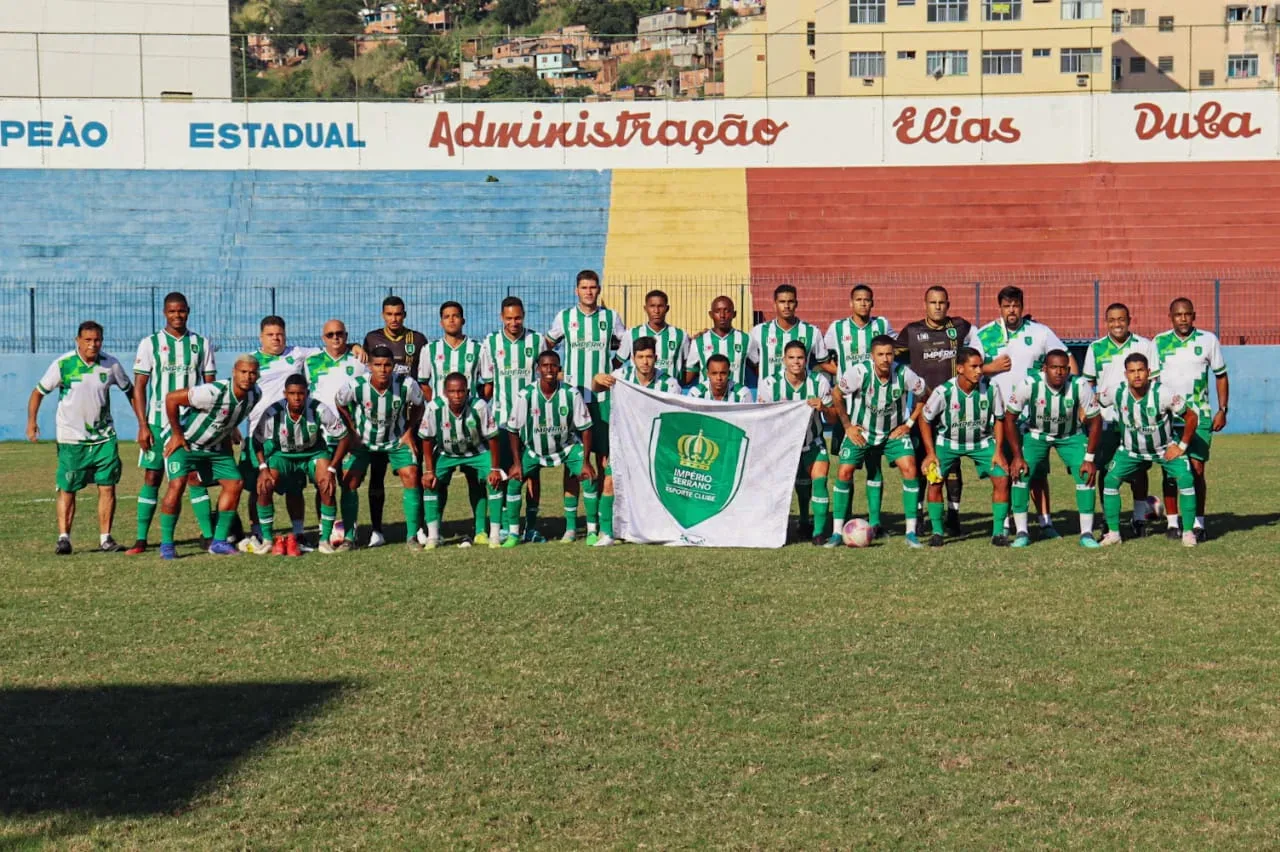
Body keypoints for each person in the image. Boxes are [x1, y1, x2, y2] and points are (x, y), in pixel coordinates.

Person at [973, 286, 1075, 538]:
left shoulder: (1040, 332)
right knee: (1005, 471)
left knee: (1037, 472)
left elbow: (1067, 358)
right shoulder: (985, 334)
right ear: (999, 307)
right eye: (1007, 306)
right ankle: (1007, 522)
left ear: (1021, 305)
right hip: (998, 416)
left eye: (1016, 305)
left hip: (1033, 418)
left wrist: (1075, 387)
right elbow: (968, 369)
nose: (1011, 310)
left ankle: (1045, 522)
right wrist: (990, 367)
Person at [27, 321, 133, 554]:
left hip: (104, 437)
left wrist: (143, 424)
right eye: (87, 340)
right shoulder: (63, 365)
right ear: (78, 341)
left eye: (96, 340)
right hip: (71, 439)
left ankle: (106, 538)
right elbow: (38, 392)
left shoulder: (110, 364)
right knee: (68, 487)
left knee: (108, 486)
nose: (92, 345)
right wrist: (32, 422)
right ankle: (64, 538)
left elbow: (130, 391)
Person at [127, 291, 217, 554]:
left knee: (194, 477)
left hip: (189, 424)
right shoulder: (150, 343)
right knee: (152, 477)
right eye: (172, 311)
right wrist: (142, 424)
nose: (177, 315)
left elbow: (210, 386)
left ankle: (209, 536)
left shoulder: (201, 343)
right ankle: (142, 539)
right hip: (156, 423)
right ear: (165, 313)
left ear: (188, 311)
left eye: (182, 311)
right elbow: (139, 386)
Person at [545, 269, 628, 543]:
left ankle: (600, 526)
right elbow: (547, 347)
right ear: (576, 290)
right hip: (572, 401)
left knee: (604, 462)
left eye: (593, 287)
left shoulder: (610, 317)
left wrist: (612, 373)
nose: (589, 292)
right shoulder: (564, 318)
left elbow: (624, 348)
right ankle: (571, 526)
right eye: (584, 287)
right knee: (574, 463)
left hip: (603, 402)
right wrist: (557, 375)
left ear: (599, 290)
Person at [156, 354, 262, 560]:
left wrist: (231, 430)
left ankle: (219, 541)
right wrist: (177, 434)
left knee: (235, 483)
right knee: (176, 485)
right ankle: (167, 545)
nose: (248, 377)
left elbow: (229, 414)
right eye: (243, 372)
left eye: (252, 373)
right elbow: (171, 398)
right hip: (186, 443)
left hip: (214, 449)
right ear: (234, 372)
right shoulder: (213, 392)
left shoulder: (255, 394)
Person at [894, 286, 980, 537]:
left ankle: (953, 515)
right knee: (922, 460)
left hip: (952, 408)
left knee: (951, 463)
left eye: (942, 302)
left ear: (948, 304)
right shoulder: (912, 331)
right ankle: (920, 515)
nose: (938, 306)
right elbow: (892, 359)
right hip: (922, 408)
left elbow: (981, 344)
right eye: (933, 302)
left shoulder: (960, 327)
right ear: (925, 304)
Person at [237, 316, 327, 553]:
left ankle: (298, 533)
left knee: (295, 486)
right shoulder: (252, 362)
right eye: (270, 334)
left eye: (279, 334)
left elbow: (329, 348)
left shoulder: (297, 353)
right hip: (258, 432)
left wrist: (354, 347)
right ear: (261, 337)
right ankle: (258, 533)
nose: (276, 338)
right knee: (258, 486)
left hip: (292, 433)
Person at [828, 334, 927, 548]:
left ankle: (911, 532)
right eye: (880, 354)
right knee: (844, 471)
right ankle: (836, 533)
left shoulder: (904, 373)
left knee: (910, 468)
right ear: (872, 356)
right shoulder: (859, 373)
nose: (885, 359)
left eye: (889, 354)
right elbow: (836, 394)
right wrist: (847, 426)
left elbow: (924, 394)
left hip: (893, 432)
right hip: (861, 431)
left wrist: (908, 424)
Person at [1004, 350, 1103, 549]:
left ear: (1068, 370)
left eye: (1063, 368)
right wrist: (1017, 456)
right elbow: (1009, 418)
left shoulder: (1079, 385)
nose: (1059, 372)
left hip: (1070, 436)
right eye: (1054, 368)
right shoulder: (1029, 385)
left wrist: (1089, 458)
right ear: (1044, 369)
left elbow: (1096, 421)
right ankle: (1022, 532)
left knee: (1086, 475)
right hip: (1036, 434)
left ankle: (1086, 533)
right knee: (1021, 473)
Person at [1098, 352, 1199, 548]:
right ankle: (1114, 533)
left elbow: (1192, 417)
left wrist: (1181, 446)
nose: (1137, 375)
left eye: (1141, 371)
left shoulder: (1163, 393)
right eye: (1132, 371)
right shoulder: (1116, 392)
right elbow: (1093, 402)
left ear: (1149, 372)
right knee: (1110, 480)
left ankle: (1187, 532)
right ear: (1125, 374)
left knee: (1186, 478)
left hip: (1163, 449)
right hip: (1130, 451)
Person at [591, 336, 682, 547]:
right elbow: (596, 388)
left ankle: (667, 530)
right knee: (610, 482)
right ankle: (607, 533)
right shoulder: (622, 376)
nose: (645, 362)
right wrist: (597, 378)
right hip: (625, 442)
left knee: (664, 488)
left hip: (656, 445)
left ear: (656, 358)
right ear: (632, 358)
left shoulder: (669, 383)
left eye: (649, 357)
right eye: (640, 357)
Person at [334, 346, 425, 552]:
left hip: (396, 439)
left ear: (393, 366)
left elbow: (420, 404)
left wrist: (409, 431)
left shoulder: (406, 384)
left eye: (387, 365)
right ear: (369, 366)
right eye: (377, 365)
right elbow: (339, 402)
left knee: (411, 475)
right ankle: (349, 538)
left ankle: (411, 537)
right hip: (363, 442)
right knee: (349, 480)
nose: (382, 369)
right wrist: (351, 430)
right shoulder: (356, 385)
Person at [1153, 298, 1229, 542]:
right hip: (1167, 417)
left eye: (1187, 314)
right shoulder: (1159, 342)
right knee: (1170, 472)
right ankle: (1173, 523)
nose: (1183, 318)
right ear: (1171, 317)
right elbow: (1153, 382)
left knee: (1197, 470)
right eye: (1178, 314)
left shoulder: (1208, 340)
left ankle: (1198, 522)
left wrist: (1223, 409)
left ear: (1194, 316)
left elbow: (1221, 375)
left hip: (1200, 415)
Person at [918, 347, 1011, 548]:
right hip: (948, 443)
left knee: (1002, 478)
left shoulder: (992, 388)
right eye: (974, 367)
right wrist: (930, 454)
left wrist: (998, 451)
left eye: (981, 366)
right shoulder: (944, 392)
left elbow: (1000, 420)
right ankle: (937, 532)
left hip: (983, 443)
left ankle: (998, 533)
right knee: (934, 481)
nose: (979, 371)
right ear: (960, 369)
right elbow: (924, 419)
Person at [504, 350, 595, 547]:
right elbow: (512, 429)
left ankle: (589, 531)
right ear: (537, 369)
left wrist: (586, 462)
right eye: (544, 365)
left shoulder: (571, 393)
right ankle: (514, 534)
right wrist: (517, 463)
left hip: (567, 447)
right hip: (534, 450)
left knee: (588, 477)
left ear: (559, 369)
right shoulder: (526, 395)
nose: (549, 369)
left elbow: (586, 428)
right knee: (513, 482)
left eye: (553, 365)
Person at [251, 375, 351, 556]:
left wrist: (331, 468)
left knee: (328, 485)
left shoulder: (319, 409)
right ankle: (266, 540)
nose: (297, 398)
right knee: (264, 486)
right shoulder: (272, 413)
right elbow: (257, 442)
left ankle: (324, 540)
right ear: (285, 394)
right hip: (282, 455)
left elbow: (343, 437)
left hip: (313, 453)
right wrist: (263, 468)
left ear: (307, 393)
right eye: (292, 393)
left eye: (301, 393)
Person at [1082, 303, 1159, 535]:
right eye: (1112, 320)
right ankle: (1108, 519)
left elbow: (1153, 381)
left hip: (1136, 421)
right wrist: (1088, 411)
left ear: (1129, 320)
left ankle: (1138, 518)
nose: (1117, 324)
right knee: (1104, 469)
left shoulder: (1144, 345)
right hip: (1106, 421)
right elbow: (1089, 384)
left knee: (1138, 470)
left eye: (1121, 319)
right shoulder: (1096, 348)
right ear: (1106, 322)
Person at [479, 296, 547, 544]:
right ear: (501, 318)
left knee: (532, 473)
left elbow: (544, 376)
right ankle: (509, 526)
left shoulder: (536, 341)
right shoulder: (491, 342)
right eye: (508, 318)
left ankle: (531, 525)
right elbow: (487, 384)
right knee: (505, 473)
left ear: (524, 315)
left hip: (532, 421)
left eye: (517, 317)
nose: (513, 322)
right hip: (502, 421)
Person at [362, 295, 429, 545]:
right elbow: (363, 370)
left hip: (407, 421)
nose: (394, 318)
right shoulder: (372, 338)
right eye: (389, 314)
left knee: (413, 473)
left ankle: (418, 528)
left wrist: (412, 427)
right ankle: (376, 530)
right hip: (379, 421)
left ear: (405, 314)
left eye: (398, 314)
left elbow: (423, 378)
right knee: (376, 476)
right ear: (383, 315)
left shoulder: (417, 339)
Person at [757, 340, 834, 545]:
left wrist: (824, 408)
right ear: (783, 360)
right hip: (782, 446)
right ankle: (797, 521)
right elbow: (763, 418)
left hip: (813, 442)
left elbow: (834, 417)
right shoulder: (769, 384)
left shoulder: (819, 382)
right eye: (791, 358)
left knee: (819, 479)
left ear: (806, 359)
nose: (796, 362)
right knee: (792, 485)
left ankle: (818, 532)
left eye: (800, 358)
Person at [420, 372, 504, 549]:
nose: (457, 396)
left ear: (467, 391)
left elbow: (493, 437)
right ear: (444, 392)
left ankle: (493, 534)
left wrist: (495, 468)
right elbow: (427, 439)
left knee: (495, 481)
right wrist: (428, 471)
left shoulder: (479, 406)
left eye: (461, 391)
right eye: (452, 391)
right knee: (430, 483)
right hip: (446, 453)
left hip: (477, 452)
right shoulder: (434, 408)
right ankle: (433, 536)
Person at [304, 319, 368, 546]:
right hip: (321, 436)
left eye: (339, 333)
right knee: (323, 483)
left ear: (347, 335)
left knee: (350, 483)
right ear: (323, 338)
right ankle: (326, 530)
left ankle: (350, 534)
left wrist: (356, 347)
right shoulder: (310, 362)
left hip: (351, 435)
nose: (335, 338)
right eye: (330, 335)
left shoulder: (359, 361)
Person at [748, 284, 833, 381]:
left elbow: (823, 362)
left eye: (790, 302)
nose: (786, 306)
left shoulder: (812, 331)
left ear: (796, 304)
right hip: (768, 394)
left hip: (801, 392)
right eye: (782, 302)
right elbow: (751, 361)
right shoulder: (758, 331)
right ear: (775, 304)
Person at [824, 285, 896, 376]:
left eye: (867, 300)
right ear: (851, 303)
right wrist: (839, 373)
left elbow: (897, 346)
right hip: (847, 387)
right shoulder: (837, 327)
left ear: (872, 303)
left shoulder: (882, 324)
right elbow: (821, 356)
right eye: (858, 300)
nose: (863, 304)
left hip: (874, 385)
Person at [627, 289, 695, 385]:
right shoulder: (632, 333)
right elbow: (618, 361)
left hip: (669, 395)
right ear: (645, 308)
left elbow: (689, 365)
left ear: (667, 308)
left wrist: (677, 384)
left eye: (660, 306)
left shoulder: (681, 335)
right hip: (640, 393)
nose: (656, 311)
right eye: (652, 306)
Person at [419, 301, 483, 400]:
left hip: (469, 413)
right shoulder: (429, 349)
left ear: (463, 321)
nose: (451, 320)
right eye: (446, 317)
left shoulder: (478, 348)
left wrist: (476, 404)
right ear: (441, 323)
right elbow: (423, 384)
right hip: (440, 414)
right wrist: (436, 404)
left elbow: (489, 384)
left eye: (455, 316)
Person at [690, 296, 752, 387]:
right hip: (706, 400)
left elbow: (758, 368)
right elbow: (688, 374)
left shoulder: (746, 339)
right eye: (717, 311)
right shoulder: (699, 341)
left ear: (734, 314)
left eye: (727, 311)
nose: (722, 315)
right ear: (711, 314)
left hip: (736, 398)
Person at [686, 353, 753, 402]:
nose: (719, 378)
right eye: (714, 373)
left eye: (723, 373)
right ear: (707, 374)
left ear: (729, 373)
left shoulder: (743, 394)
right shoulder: (695, 394)